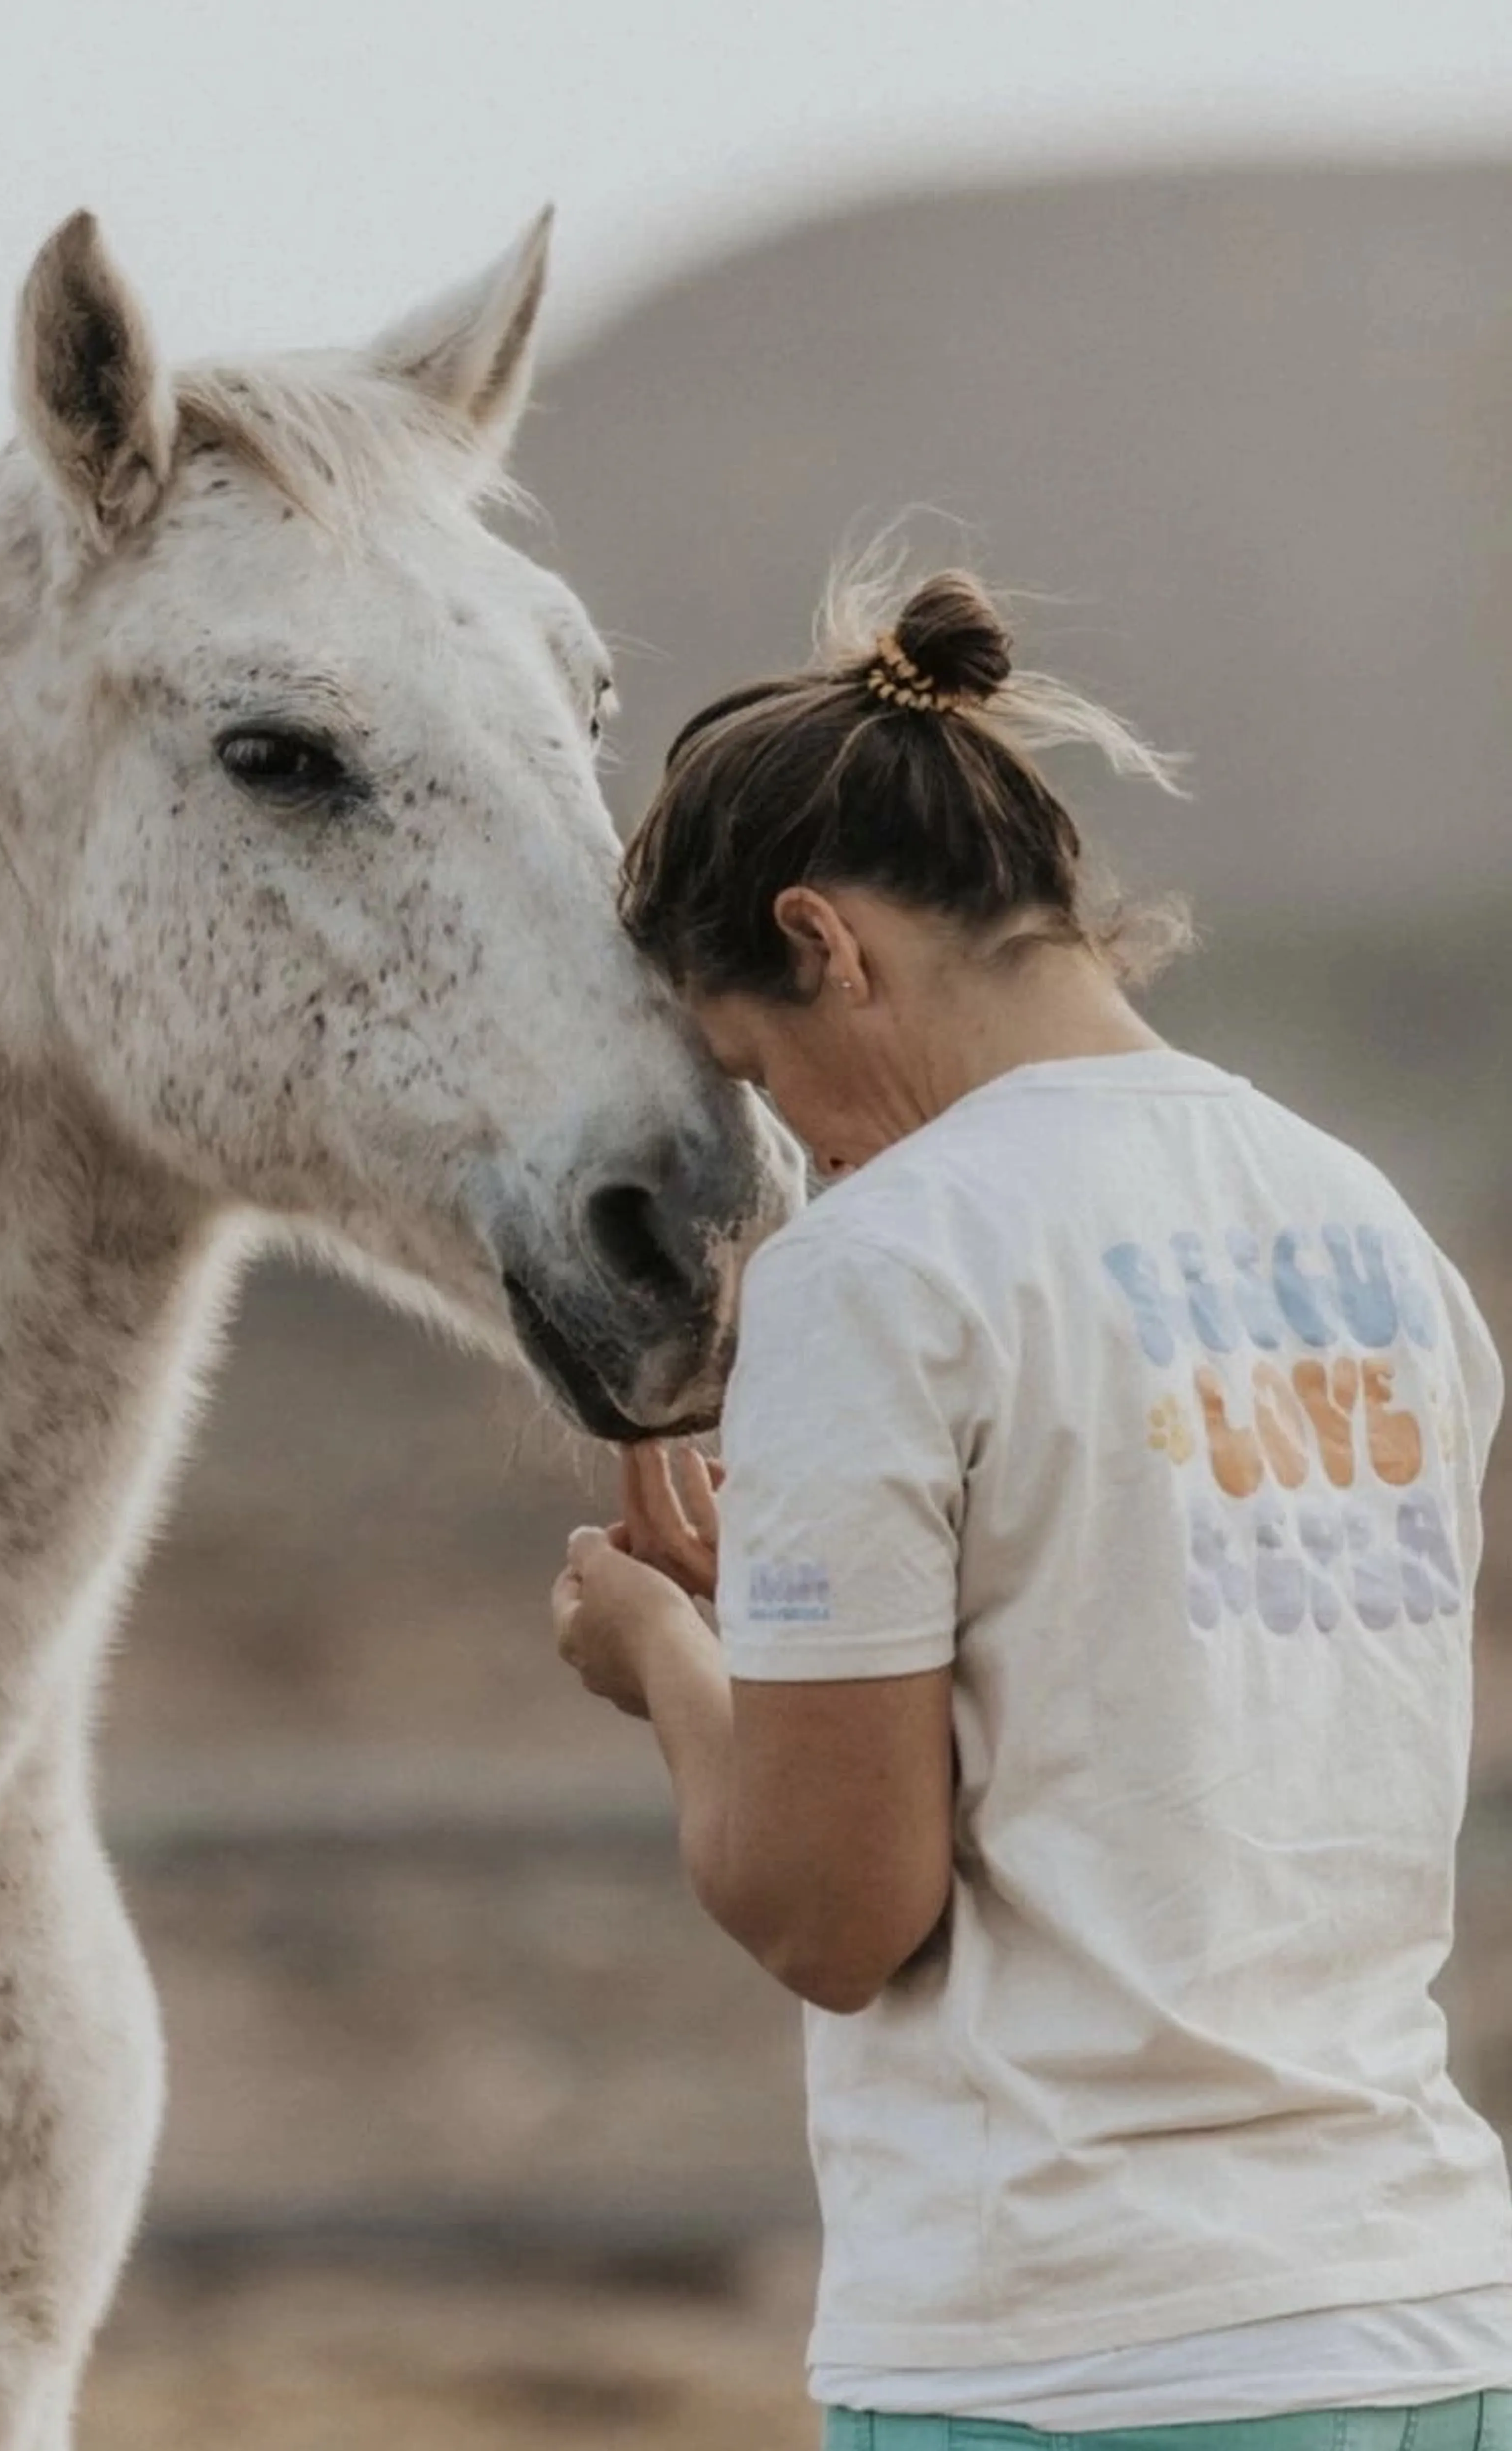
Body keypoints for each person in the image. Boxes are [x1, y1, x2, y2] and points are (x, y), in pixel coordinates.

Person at [551, 557, 1512, 2445]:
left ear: (823, 943)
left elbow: (837, 1915)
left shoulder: (878, 1268)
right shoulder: (1374, 1230)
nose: (795, 1144)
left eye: (758, 1068)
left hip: (1078, 2353)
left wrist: (661, 1654)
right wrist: (811, 1620)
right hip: (1432, 2318)